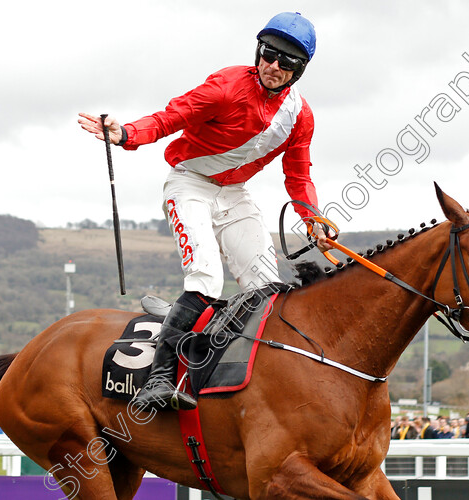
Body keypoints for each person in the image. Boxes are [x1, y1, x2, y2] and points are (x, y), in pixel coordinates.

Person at [79, 12, 332, 411]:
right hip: (190, 185)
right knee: (207, 276)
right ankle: (159, 378)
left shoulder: (300, 117)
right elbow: (170, 117)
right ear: (259, 51)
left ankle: (245, 374)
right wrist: (126, 133)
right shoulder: (226, 86)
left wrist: (313, 221)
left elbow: (298, 175)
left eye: (287, 63)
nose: (274, 67)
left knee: (266, 285)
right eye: (268, 55)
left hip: (235, 194)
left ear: (299, 71)